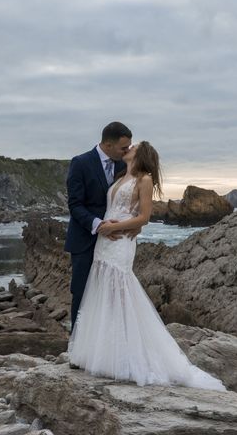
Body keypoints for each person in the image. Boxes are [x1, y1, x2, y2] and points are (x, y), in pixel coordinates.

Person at [68, 141, 226, 391]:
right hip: (103, 242)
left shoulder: (144, 179)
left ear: (142, 154)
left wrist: (114, 228)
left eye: (134, 145)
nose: (128, 147)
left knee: (120, 291)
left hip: (120, 242)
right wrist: (104, 227)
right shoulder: (121, 174)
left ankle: (130, 356)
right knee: (101, 292)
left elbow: (144, 217)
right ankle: (103, 353)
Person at [65, 121, 137, 333]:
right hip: (85, 239)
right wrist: (98, 225)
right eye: (124, 147)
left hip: (114, 243)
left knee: (113, 294)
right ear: (108, 144)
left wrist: (134, 225)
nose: (128, 151)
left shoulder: (125, 166)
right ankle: (76, 346)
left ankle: (107, 346)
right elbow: (75, 204)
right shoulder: (80, 163)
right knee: (82, 292)